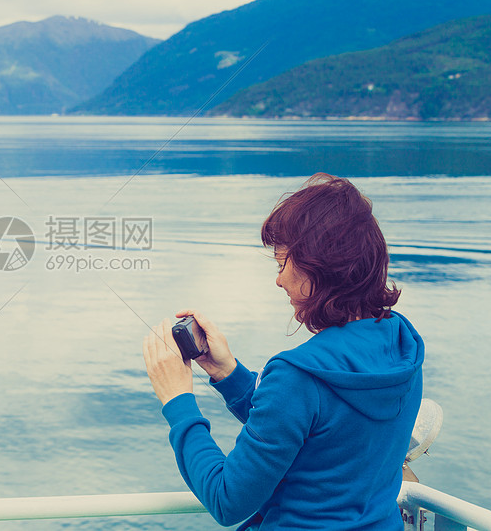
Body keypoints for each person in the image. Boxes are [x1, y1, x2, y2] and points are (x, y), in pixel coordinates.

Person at [142, 173, 424, 530]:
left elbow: (227, 500)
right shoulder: (403, 346)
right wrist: (228, 374)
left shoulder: (298, 375)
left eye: (281, 264)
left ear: (317, 265)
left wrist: (177, 401)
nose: (278, 280)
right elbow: (316, 433)